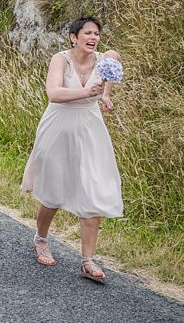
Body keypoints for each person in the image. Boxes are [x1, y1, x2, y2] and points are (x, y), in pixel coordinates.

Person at [21, 16, 123, 281]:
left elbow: (113, 62)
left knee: (95, 189)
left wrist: (106, 95)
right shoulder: (60, 59)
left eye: (97, 33)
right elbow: (53, 94)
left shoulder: (103, 60)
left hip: (90, 129)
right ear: (73, 37)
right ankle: (40, 238)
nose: (93, 37)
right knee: (53, 190)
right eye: (87, 33)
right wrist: (88, 93)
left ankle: (88, 261)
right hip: (58, 127)